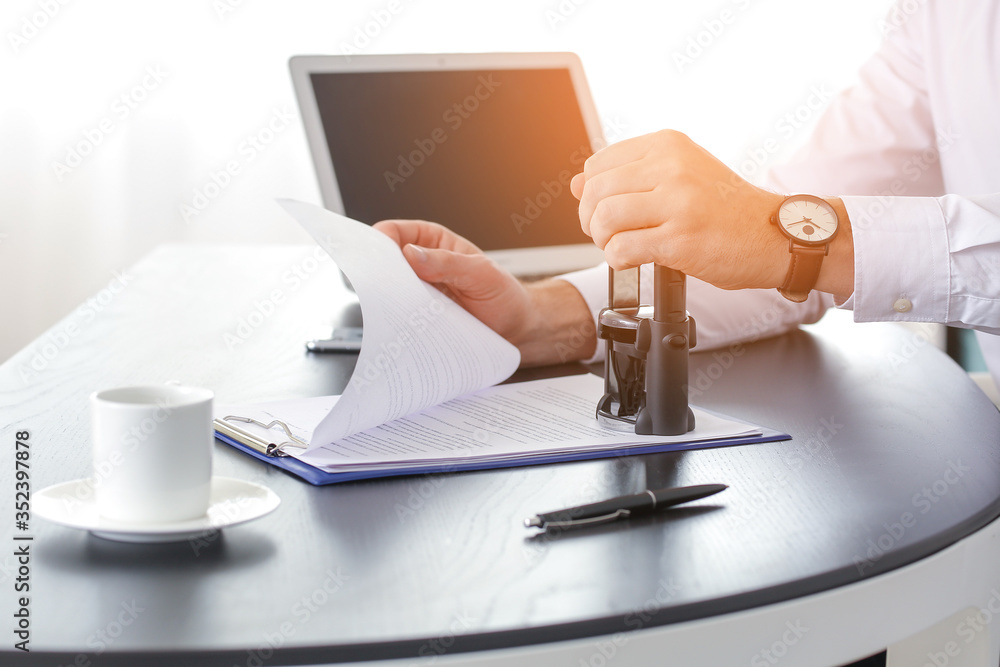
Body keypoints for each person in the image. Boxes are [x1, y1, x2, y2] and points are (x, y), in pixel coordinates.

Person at [374, 0, 1000, 393]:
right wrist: (536, 319)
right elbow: (780, 248)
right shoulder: (942, 15)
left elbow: (789, 237)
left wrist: (782, 235)